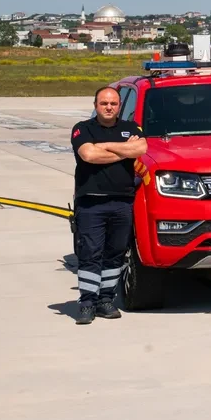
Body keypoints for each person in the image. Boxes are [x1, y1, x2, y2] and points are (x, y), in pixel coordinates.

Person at [70, 87, 147, 325]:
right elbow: (89, 155)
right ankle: (86, 302)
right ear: (95, 105)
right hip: (91, 202)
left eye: (113, 103)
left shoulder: (132, 128)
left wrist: (103, 146)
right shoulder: (82, 129)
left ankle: (105, 300)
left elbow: (141, 148)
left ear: (119, 106)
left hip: (122, 202)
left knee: (114, 254)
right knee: (90, 253)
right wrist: (123, 150)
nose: (109, 107)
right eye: (104, 103)